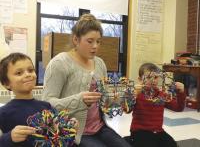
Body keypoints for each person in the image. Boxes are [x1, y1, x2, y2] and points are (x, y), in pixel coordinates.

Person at [42, 13, 131, 147]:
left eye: (98, 41)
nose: (95, 46)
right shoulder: (60, 63)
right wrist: (79, 99)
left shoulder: (100, 63)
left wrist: (122, 98)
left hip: (100, 127)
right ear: (76, 40)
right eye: (90, 41)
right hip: (75, 131)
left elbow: (103, 99)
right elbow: (46, 104)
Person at [0, 53, 78, 147]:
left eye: (30, 70)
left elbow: (58, 131)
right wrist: (10, 137)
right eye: (19, 73)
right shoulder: (3, 112)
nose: (28, 75)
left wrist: (69, 127)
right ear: (6, 83)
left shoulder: (46, 106)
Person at [125, 63, 186, 147]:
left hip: (158, 132)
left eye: (156, 77)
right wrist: (132, 95)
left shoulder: (162, 95)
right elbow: (127, 110)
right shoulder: (137, 93)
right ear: (140, 79)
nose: (153, 80)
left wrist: (181, 92)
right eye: (149, 77)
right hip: (140, 131)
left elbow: (178, 108)